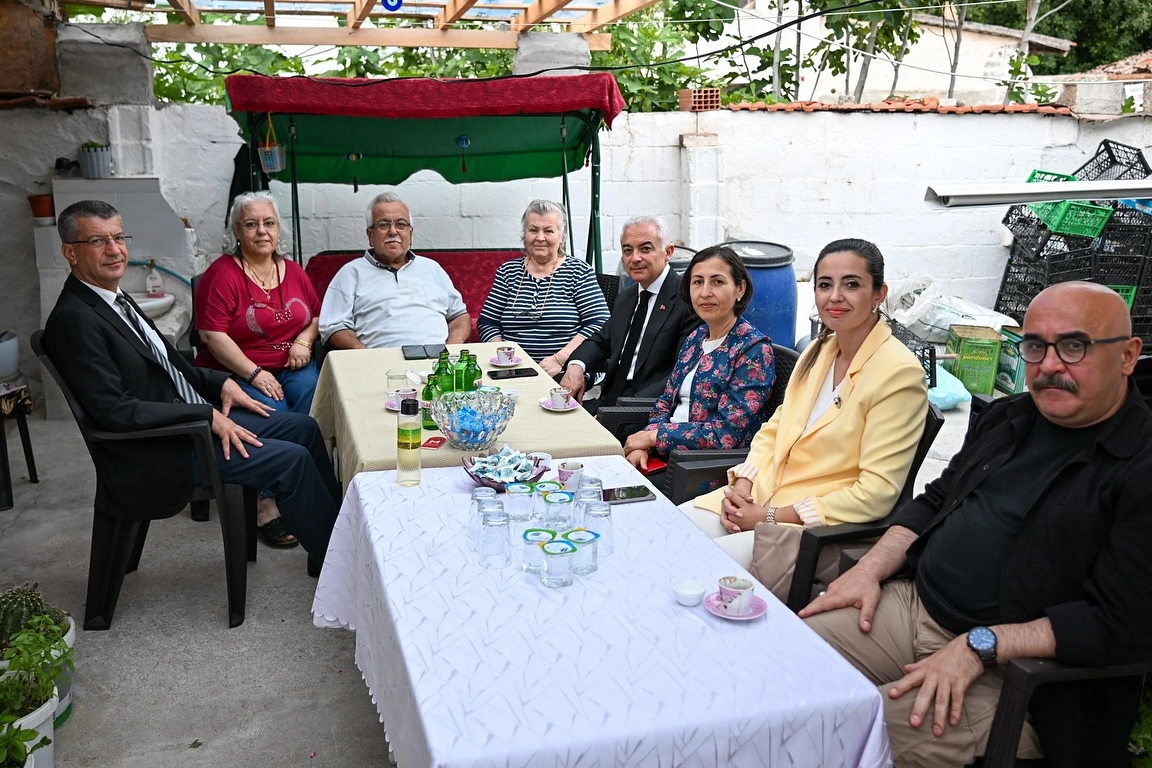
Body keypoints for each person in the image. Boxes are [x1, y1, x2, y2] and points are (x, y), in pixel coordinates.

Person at [800, 281, 1151, 768]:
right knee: (779, 667)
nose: (1050, 365)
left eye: (1074, 346)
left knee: (832, 734)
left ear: (1128, 355)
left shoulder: (1139, 465)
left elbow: (1122, 622)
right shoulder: (1010, 417)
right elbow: (935, 499)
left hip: (1017, 673)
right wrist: (870, 568)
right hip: (913, 605)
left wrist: (983, 644)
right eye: (1035, 346)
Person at [43, 200, 340, 576]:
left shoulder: (115, 299)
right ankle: (339, 565)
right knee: (292, 459)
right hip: (162, 448)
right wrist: (205, 414)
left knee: (305, 428)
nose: (115, 250)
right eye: (98, 241)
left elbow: (175, 366)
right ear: (70, 252)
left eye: (118, 238)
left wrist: (223, 383)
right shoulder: (74, 319)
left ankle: (336, 537)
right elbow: (114, 410)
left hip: (186, 426)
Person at [684, 238, 928, 600]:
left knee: (697, 570)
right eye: (825, 285)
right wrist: (744, 485)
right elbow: (776, 428)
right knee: (668, 535)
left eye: (852, 284)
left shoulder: (898, 374)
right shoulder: (820, 349)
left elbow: (876, 493)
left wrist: (769, 516)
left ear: (879, 294)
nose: (835, 297)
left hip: (814, 529)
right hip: (762, 496)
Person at [194, 191, 322, 547]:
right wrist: (254, 373)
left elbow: (315, 317)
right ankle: (265, 501)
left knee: (314, 398)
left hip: (291, 363)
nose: (262, 231)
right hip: (237, 372)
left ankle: (303, 487)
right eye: (251, 224)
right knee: (273, 411)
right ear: (237, 231)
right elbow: (211, 335)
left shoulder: (293, 270)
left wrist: (304, 341)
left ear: (279, 229)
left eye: (269, 223)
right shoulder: (223, 274)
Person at [621, 245, 774, 470]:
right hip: (662, 456)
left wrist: (654, 437)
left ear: (740, 289)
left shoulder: (753, 350)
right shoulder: (696, 337)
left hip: (702, 468)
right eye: (698, 282)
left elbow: (726, 434)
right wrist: (643, 445)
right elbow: (665, 402)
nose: (705, 292)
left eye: (717, 282)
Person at [560, 216, 701, 413]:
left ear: (668, 252)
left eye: (645, 249)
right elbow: (600, 341)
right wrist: (577, 366)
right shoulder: (626, 297)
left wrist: (621, 412)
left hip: (646, 408)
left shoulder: (687, 300)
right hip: (609, 399)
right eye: (627, 250)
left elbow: (681, 372)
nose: (635, 258)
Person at [319, 192, 471, 349]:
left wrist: (452, 348)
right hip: (380, 359)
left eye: (401, 224)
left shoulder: (432, 268)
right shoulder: (350, 273)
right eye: (383, 225)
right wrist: (362, 353)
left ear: (410, 233)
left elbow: (459, 316)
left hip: (438, 358)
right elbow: (334, 326)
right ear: (370, 235)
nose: (393, 231)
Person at [478, 200, 609, 376]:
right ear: (524, 234)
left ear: (561, 235)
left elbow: (599, 323)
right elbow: (487, 322)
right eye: (533, 230)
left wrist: (561, 359)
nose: (540, 238)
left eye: (548, 231)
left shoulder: (579, 272)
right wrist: (504, 358)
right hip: (511, 371)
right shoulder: (508, 272)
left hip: (564, 369)